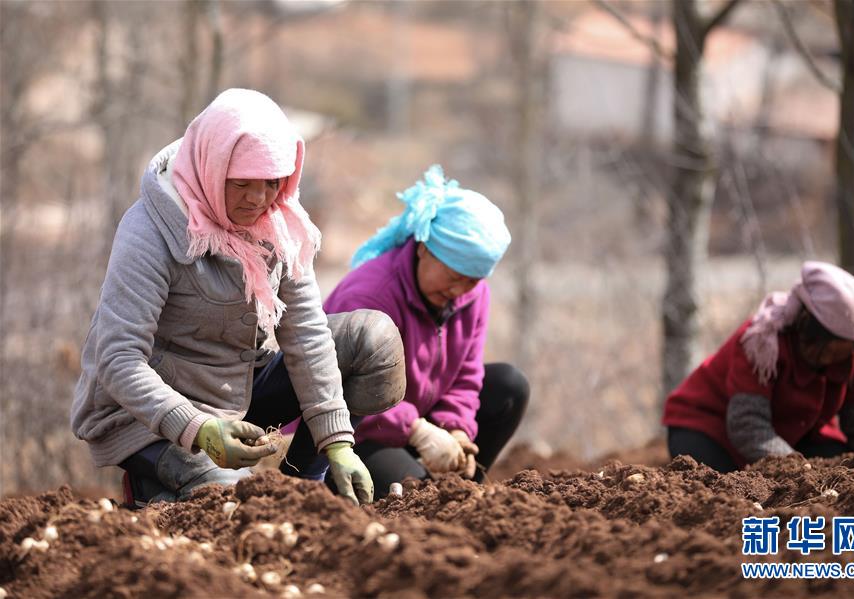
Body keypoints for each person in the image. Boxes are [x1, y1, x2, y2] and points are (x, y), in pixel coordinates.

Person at [71, 89, 406, 506]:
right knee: (235, 504)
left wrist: (336, 441)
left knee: (372, 340)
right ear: (212, 168)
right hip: (146, 414)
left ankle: (307, 492)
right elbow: (118, 359)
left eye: (271, 183)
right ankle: (161, 488)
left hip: (236, 391)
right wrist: (199, 430)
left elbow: (306, 334)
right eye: (241, 183)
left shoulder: (280, 223)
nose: (258, 199)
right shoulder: (150, 231)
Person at [323, 165, 529, 499]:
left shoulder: (471, 295)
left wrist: (457, 429)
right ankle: (434, 493)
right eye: (453, 274)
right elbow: (336, 390)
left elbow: (465, 374)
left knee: (509, 386)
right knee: (417, 498)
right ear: (423, 247)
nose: (459, 289)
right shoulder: (370, 296)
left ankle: (463, 491)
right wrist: (415, 430)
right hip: (349, 431)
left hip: (413, 417)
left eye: (472, 280)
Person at [663, 261, 854, 473]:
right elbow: (748, 425)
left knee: (844, 466)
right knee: (720, 479)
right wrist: (798, 469)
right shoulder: (762, 342)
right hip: (711, 426)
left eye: (838, 355)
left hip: (793, 431)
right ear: (804, 325)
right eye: (822, 350)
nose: (828, 361)